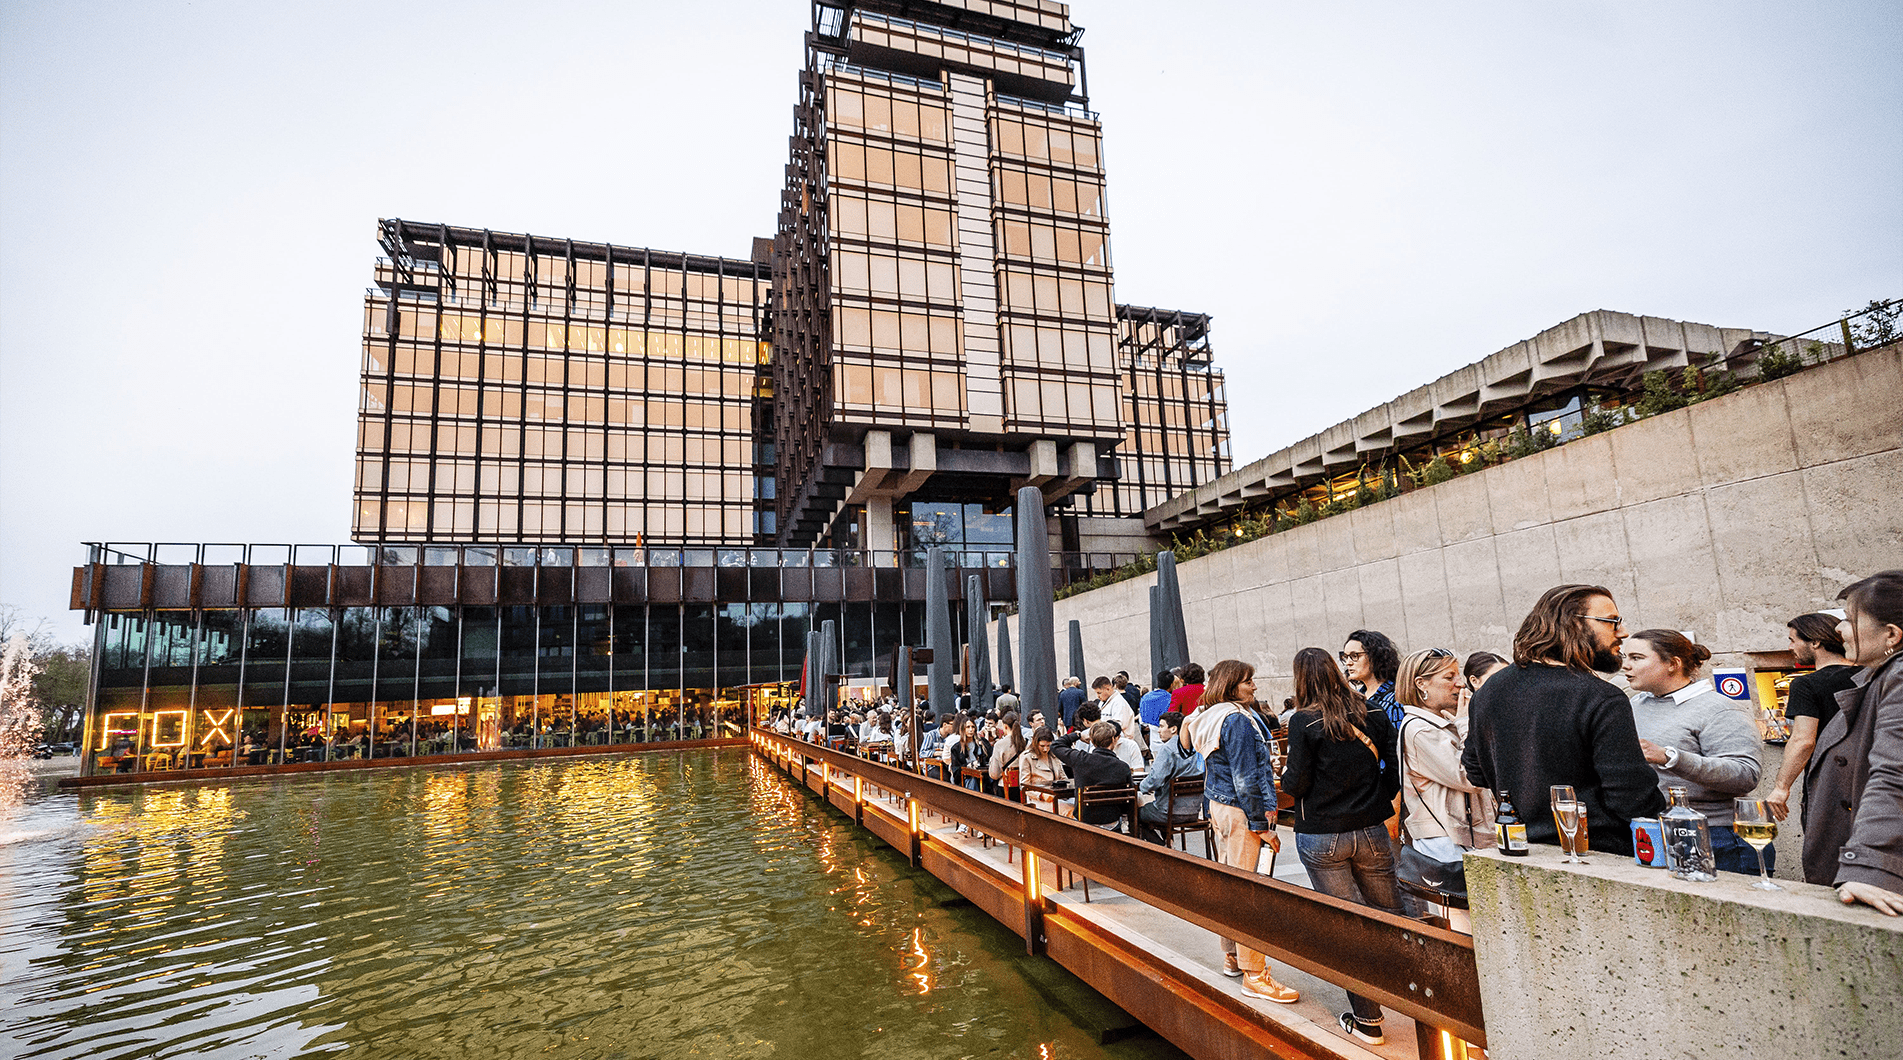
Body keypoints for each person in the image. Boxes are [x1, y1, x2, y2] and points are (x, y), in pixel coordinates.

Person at [1462, 584, 1667, 856]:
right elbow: (1632, 798)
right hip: (1598, 855)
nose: (1623, 632)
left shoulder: (1488, 691)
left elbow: (1476, 772)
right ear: (1573, 624)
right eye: (1612, 621)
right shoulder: (1601, 697)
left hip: (1522, 850)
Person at [1280, 647, 1404, 1045]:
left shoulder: (1304, 721)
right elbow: (1393, 769)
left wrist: (1286, 779)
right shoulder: (1376, 713)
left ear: (1301, 679)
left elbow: (1295, 784)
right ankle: (1410, 993)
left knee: (1349, 924)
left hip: (1321, 833)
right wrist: (1377, 800)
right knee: (1389, 913)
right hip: (1370, 827)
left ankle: (1368, 1018)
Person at [1185, 659, 1300, 1005]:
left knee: (1232, 884)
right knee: (1249, 890)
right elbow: (1246, 778)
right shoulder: (1235, 719)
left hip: (1221, 806)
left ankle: (1233, 955)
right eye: (1249, 681)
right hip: (1239, 811)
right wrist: (1261, 825)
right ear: (1232, 684)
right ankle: (1256, 974)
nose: (1254, 686)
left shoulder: (1213, 715)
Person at [1624, 629, 1765, 874]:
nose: (1625, 666)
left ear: (1673, 664)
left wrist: (1671, 757)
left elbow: (1746, 774)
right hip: (1655, 832)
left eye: (1636, 658)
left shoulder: (1719, 708)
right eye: (1624, 657)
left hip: (1716, 837)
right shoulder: (1635, 704)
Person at [1803, 571, 1903, 915]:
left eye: (1848, 620)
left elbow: (1895, 775)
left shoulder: (1900, 676)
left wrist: (1871, 869)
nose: (1839, 630)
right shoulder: (1881, 676)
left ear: (1891, 634)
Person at [1396, 648, 1495, 930]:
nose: (1460, 684)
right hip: (1447, 843)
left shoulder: (1438, 724)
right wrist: (1465, 724)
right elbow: (1469, 776)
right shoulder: (1420, 730)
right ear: (1421, 684)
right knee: (1467, 930)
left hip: (1461, 838)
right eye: (1449, 677)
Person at [1767, 612, 1858, 822]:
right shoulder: (1873, 675)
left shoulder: (1806, 684)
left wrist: (1781, 788)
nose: (1790, 647)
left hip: (1831, 786)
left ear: (1815, 642)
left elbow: (1803, 740)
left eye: (1793, 640)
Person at [1052, 721, 1135, 830]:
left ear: (1092, 741)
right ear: (1113, 740)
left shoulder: (1081, 760)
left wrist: (1078, 735)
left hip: (1085, 821)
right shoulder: (1123, 767)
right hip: (1111, 822)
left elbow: (1055, 745)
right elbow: (1129, 798)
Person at [1137, 711, 1204, 845]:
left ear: (1173, 729)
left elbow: (1155, 779)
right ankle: (1168, 842)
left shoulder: (1168, 749)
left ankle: (1161, 847)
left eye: (1161, 727)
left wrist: (1141, 787)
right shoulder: (1197, 747)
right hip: (1193, 811)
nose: (1158, 731)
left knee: (1135, 813)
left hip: (1168, 812)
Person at [1343, 629, 1402, 729]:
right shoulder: (1356, 697)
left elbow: (1397, 740)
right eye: (1346, 657)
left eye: (1354, 656)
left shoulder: (1395, 698)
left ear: (1375, 656)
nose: (1348, 662)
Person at [1017, 725, 1068, 812]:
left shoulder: (1053, 756)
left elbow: (1063, 777)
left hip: (1058, 797)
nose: (1045, 749)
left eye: (1048, 746)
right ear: (1035, 743)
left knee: (1078, 807)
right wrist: (1041, 795)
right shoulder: (1027, 757)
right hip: (1038, 800)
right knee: (1070, 810)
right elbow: (1024, 786)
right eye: (1042, 746)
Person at [988, 711, 1028, 801]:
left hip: (1005, 787)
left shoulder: (1000, 744)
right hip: (1023, 786)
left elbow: (994, 774)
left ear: (1005, 726)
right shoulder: (1027, 742)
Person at [1140, 669, 1176, 736]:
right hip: (1166, 734)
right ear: (1171, 684)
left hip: (1148, 735)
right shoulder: (1172, 698)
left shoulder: (1145, 697)